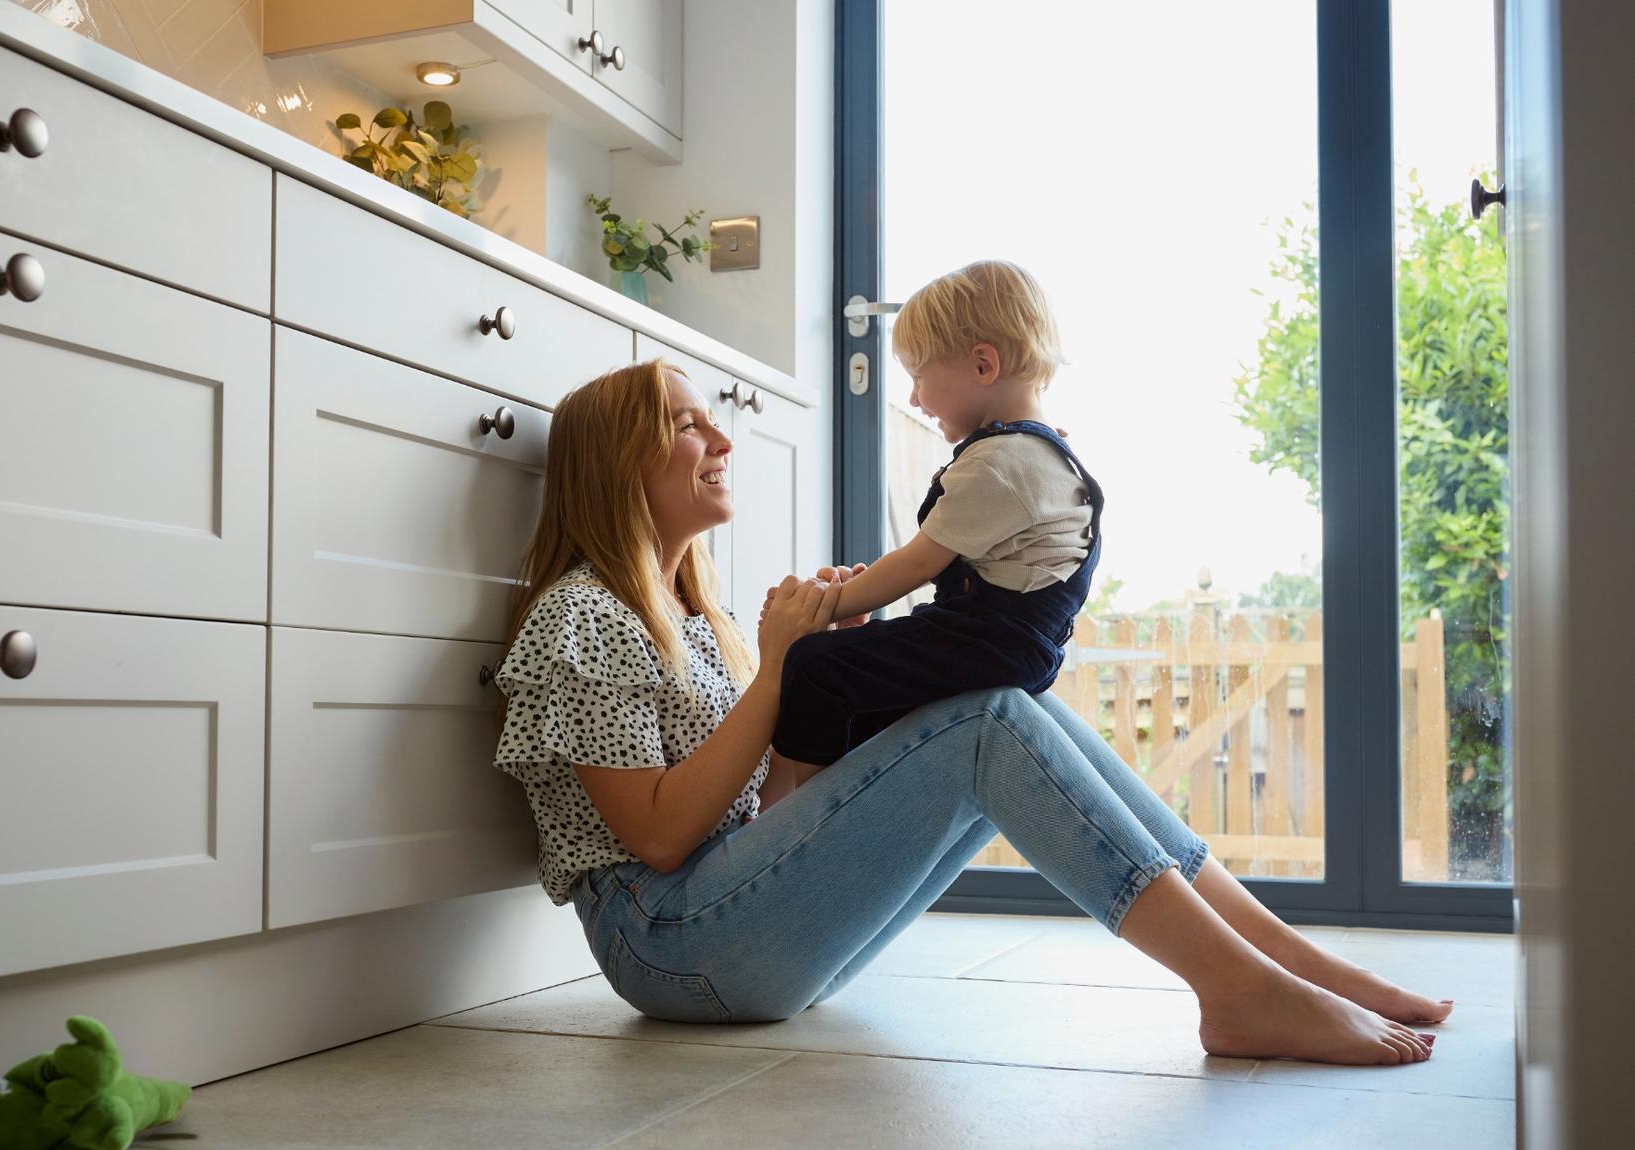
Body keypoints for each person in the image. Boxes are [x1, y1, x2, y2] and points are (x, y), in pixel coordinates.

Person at [490, 359, 1450, 1066]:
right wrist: (783, 670)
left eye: (713, 422)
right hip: (667, 945)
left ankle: (1280, 960)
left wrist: (828, 662)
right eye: (690, 425)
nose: (724, 441)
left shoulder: (700, 622)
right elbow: (660, 840)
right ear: (619, 462)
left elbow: (766, 810)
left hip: (736, 927)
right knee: (989, 721)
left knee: (1008, 703)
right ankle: (1239, 986)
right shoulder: (580, 616)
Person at [772, 260, 1097, 789]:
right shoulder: (1048, 452)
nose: (914, 399)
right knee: (867, 690)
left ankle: (807, 814)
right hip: (1018, 647)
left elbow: (917, 563)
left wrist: (822, 606)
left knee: (815, 666)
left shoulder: (1000, 461)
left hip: (989, 641)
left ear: (983, 365)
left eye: (919, 378)